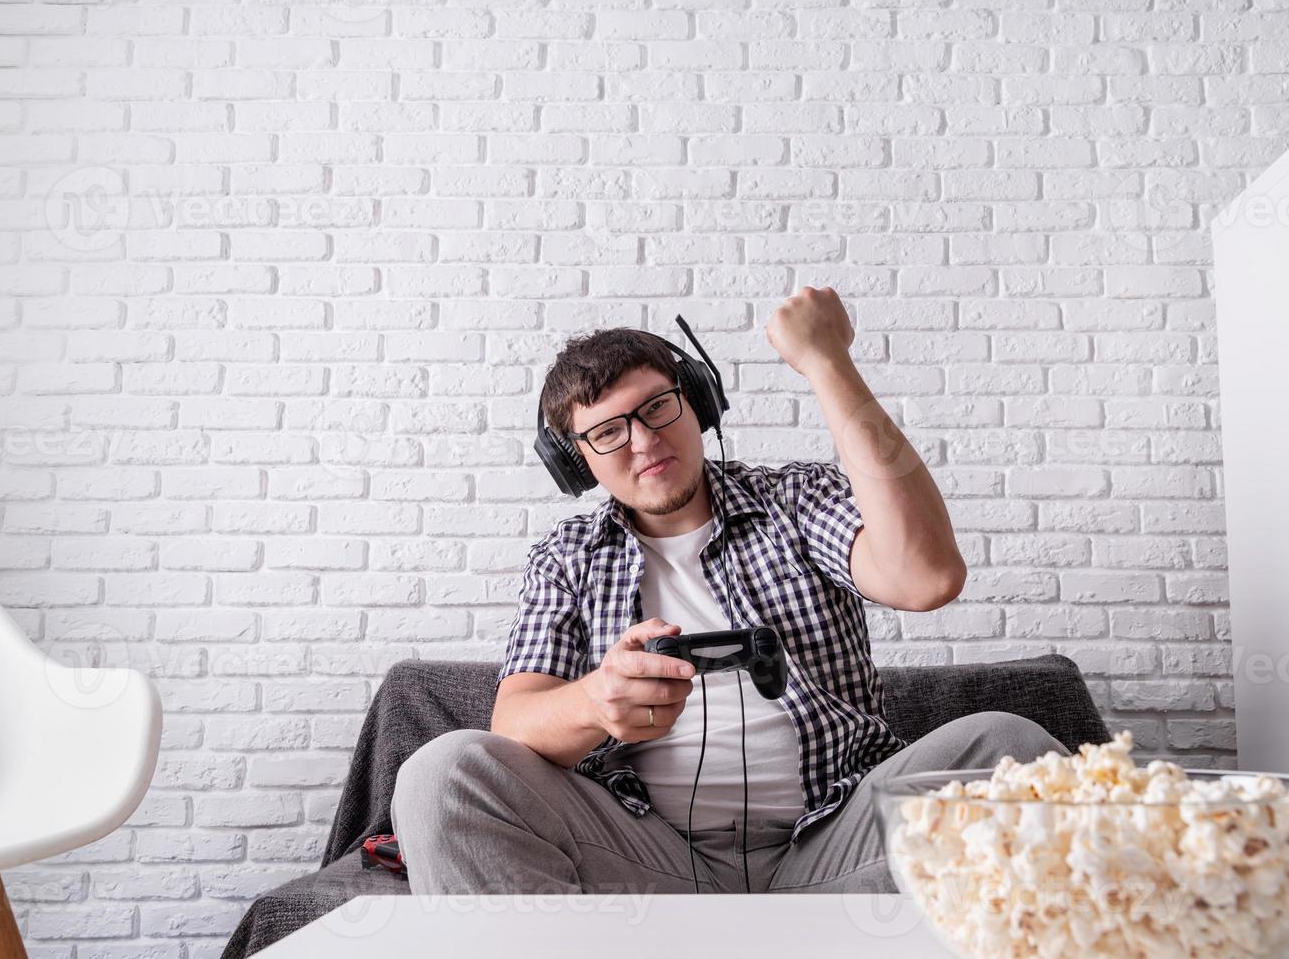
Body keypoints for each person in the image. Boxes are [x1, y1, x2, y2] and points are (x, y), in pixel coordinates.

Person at [391, 287, 1068, 895]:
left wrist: (826, 361)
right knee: (441, 774)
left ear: (699, 402)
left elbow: (927, 577)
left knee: (1009, 745)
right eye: (606, 431)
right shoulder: (567, 558)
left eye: (658, 406)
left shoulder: (795, 502)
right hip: (646, 861)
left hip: (840, 848)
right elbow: (515, 722)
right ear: (577, 462)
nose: (643, 441)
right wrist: (596, 701)